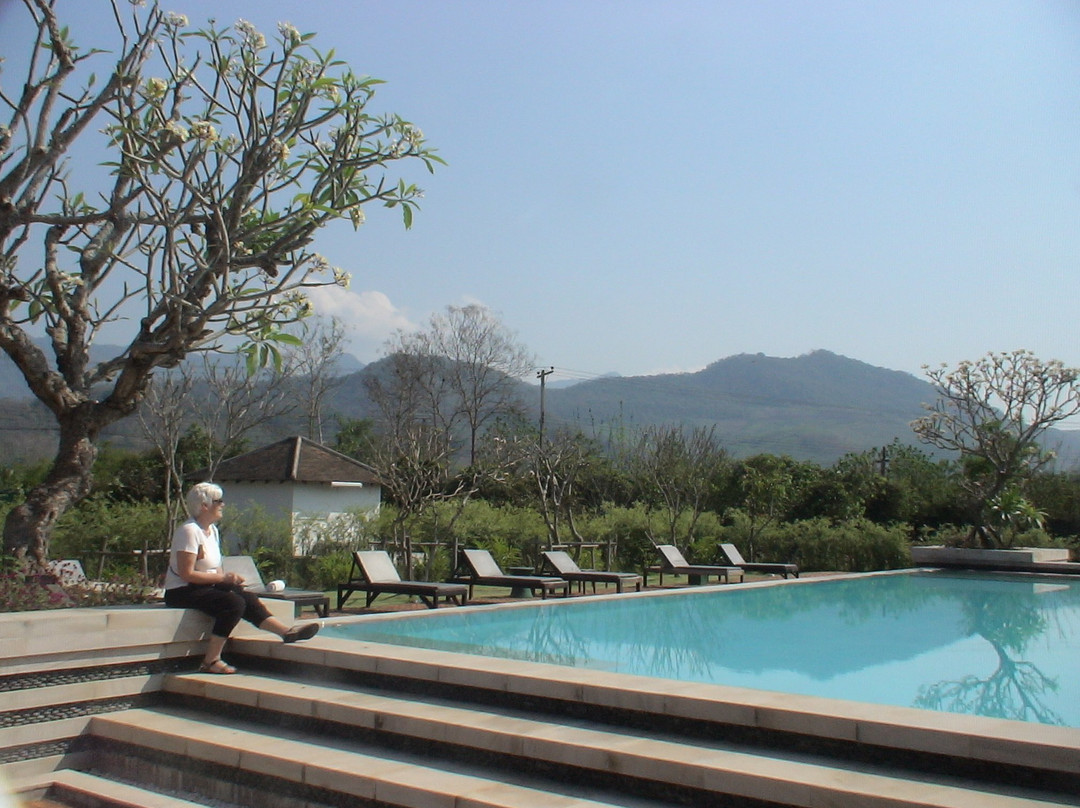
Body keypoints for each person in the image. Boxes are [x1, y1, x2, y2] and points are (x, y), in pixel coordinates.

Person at [164, 482, 319, 674]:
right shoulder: (189, 531)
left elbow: (213, 568)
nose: (223, 505)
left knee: (245, 597)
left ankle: (286, 632)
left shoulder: (212, 531)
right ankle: (211, 659)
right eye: (218, 501)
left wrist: (228, 579)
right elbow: (187, 574)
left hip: (203, 586)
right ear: (204, 506)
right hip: (182, 590)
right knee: (233, 603)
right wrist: (222, 579)